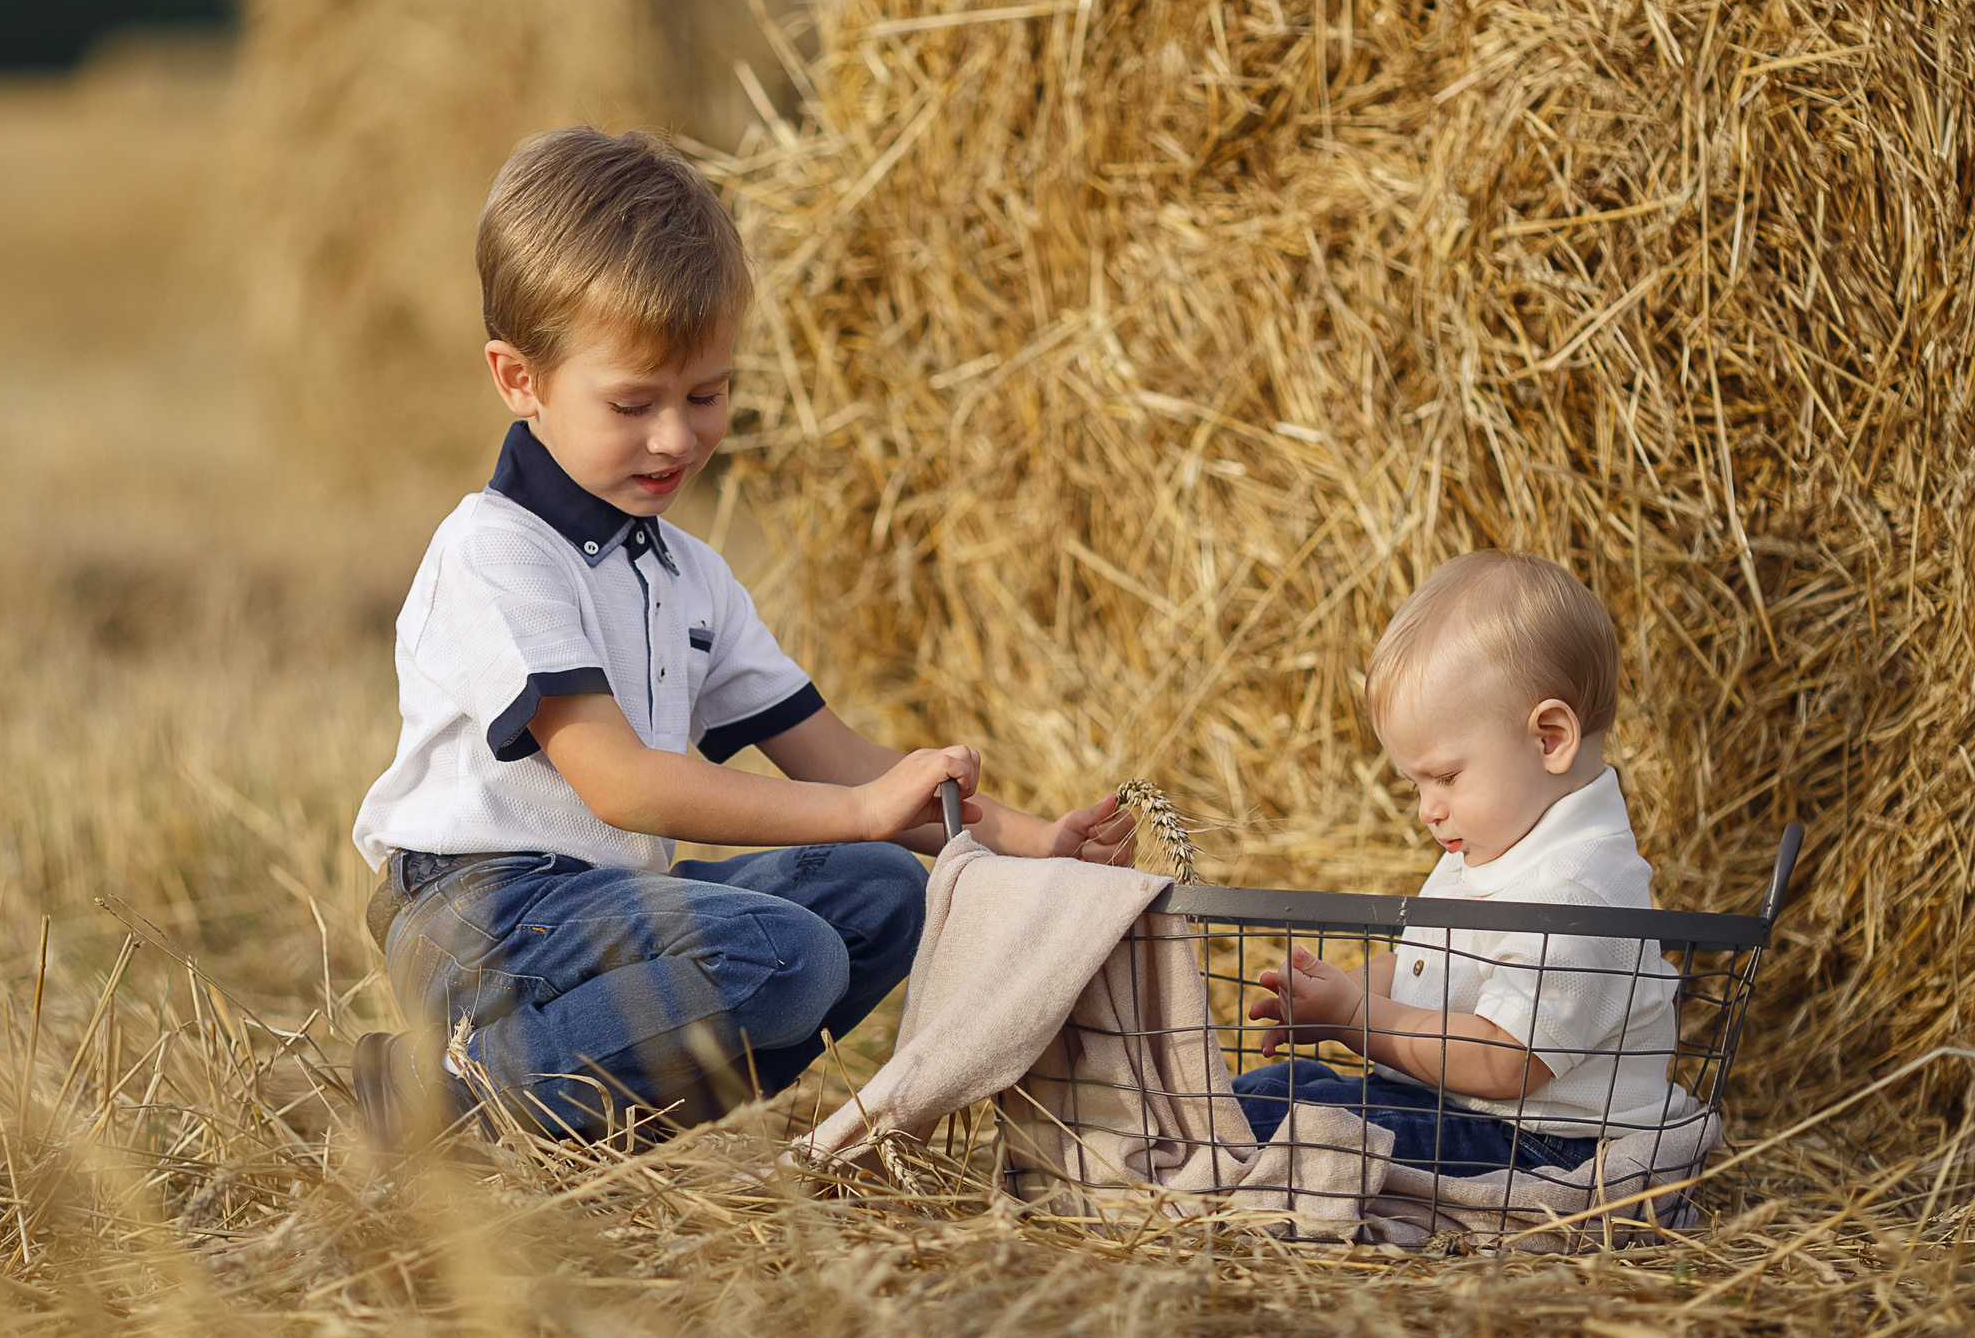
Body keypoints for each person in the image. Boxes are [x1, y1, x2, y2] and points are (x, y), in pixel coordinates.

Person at [350, 125, 1123, 1146]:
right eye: (634, 403)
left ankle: (595, 1118)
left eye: (706, 395)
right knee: (782, 954)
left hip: (606, 907)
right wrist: (851, 808)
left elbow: (840, 759)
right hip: (479, 914)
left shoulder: (686, 577)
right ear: (518, 379)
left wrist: (1033, 843)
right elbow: (619, 784)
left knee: (887, 895)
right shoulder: (497, 555)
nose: (677, 436)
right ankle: (454, 1083)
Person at [1232, 551, 1689, 1175]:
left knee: (1298, 1127)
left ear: (1550, 739)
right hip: (1457, 1107)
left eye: (1445, 776)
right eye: (1415, 784)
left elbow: (1508, 1060)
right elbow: (1437, 964)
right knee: (1288, 1085)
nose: (1427, 809)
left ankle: (1176, 1150)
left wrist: (1356, 1017)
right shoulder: (1499, 835)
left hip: (1539, 1142)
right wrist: (1335, 995)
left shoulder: (1577, 891)